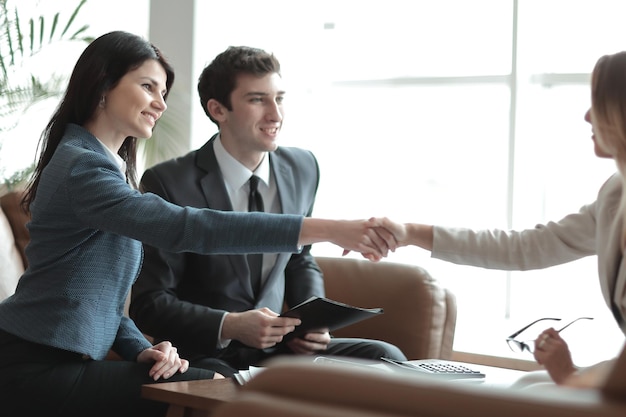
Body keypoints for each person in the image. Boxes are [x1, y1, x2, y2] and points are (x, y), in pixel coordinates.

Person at [0, 32, 395, 417]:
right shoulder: (82, 167)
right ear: (103, 85)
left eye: (163, 92)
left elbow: (103, 299)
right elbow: (188, 228)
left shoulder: (104, 167)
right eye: (148, 87)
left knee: (210, 387)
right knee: (213, 390)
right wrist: (325, 229)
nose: (160, 103)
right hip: (34, 365)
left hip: (61, 358)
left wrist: (142, 348)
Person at [130, 46, 407, 376]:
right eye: (258, 100)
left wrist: (312, 324)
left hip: (282, 348)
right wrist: (230, 325)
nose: (276, 114)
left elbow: (300, 258)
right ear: (218, 109)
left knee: (386, 357)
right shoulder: (169, 182)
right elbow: (151, 302)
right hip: (207, 353)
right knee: (226, 385)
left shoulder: (303, 167)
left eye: (280, 98)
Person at [379, 51, 626, 389]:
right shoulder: (615, 194)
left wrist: (570, 375)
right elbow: (527, 247)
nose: (586, 115)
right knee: (527, 385)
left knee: (530, 393)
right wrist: (409, 233)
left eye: (597, 102)